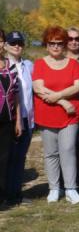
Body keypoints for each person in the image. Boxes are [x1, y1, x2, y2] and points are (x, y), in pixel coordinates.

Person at [32, 26, 79, 204]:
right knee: (51, 153)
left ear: (64, 45)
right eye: (51, 43)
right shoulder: (39, 64)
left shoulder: (73, 64)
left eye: (59, 43)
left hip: (70, 115)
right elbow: (38, 88)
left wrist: (58, 95)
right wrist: (62, 101)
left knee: (68, 150)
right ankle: (54, 188)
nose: (55, 46)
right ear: (46, 45)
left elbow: (77, 86)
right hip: (47, 114)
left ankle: (70, 188)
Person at [5, 31, 34, 206]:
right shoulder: (4, 66)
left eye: (20, 43)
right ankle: (8, 194)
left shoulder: (29, 65)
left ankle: (16, 193)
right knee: (9, 158)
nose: (17, 46)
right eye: (13, 43)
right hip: (10, 119)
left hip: (27, 118)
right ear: (6, 45)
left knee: (20, 157)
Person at [0, 31, 23, 205]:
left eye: (0, 41)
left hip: (7, 119)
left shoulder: (10, 66)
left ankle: (2, 195)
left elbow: (16, 95)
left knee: (4, 159)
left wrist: (18, 120)